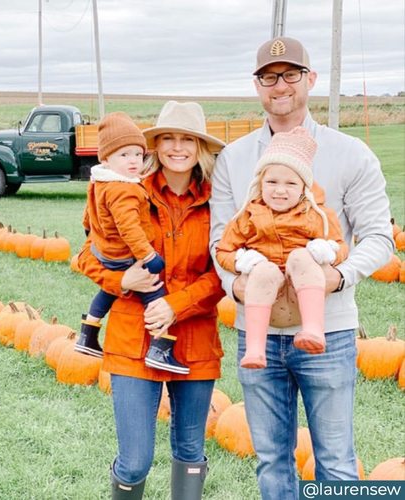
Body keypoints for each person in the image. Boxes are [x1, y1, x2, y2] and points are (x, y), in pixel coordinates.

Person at [209, 37, 394, 499]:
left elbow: (378, 236)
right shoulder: (234, 159)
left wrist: (335, 276)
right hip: (259, 337)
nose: (280, 85)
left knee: (335, 460)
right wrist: (240, 287)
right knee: (272, 460)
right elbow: (220, 241)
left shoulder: (350, 153)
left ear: (310, 79)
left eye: (291, 74)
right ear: (257, 85)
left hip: (328, 333)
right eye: (269, 77)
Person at [78, 100, 226, 499]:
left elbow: (224, 273)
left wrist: (177, 304)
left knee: (190, 449)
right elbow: (85, 255)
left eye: (188, 140)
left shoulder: (218, 201)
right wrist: (122, 279)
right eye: (168, 139)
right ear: (156, 146)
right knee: (135, 460)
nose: (178, 148)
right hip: (133, 339)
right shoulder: (125, 190)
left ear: (201, 147)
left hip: (193, 340)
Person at [215, 126, 349, 369]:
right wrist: (239, 261)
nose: (279, 190)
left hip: (300, 283)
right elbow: (223, 250)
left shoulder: (316, 214)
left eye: (290, 183)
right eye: (272, 181)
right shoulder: (248, 214)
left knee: (301, 256)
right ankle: (255, 349)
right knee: (263, 271)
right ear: (260, 183)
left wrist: (327, 250)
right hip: (267, 286)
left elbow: (341, 247)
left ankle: (313, 329)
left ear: (303, 188)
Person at [75, 111, 188, 375]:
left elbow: (89, 216)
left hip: (106, 252)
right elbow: (129, 230)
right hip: (125, 256)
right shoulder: (124, 188)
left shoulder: (101, 181)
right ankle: (159, 348)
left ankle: (87, 333)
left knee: (109, 291)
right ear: (107, 158)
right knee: (154, 292)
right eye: (125, 155)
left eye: (138, 154)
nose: (134, 161)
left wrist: (92, 234)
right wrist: (147, 259)